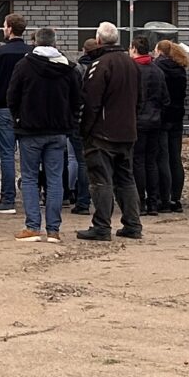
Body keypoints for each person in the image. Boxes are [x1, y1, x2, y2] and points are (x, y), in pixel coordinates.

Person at [7, 27, 82, 244]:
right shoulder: (69, 68)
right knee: (55, 179)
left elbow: (12, 96)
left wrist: (18, 117)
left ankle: (32, 226)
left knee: (30, 178)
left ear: (36, 42)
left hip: (30, 129)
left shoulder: (24, 65)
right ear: (55, 43)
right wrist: (70, 120)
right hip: (58, 130)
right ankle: (53, 230)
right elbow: (77, 99)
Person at [77, 22, 144, 242]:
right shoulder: (132, 64)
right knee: (125, 178)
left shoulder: (100, 65)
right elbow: (140, 99)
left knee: (100, 179)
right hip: (127, 130)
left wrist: (85, 130)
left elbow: (91, 102)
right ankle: (133, 224)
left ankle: (101, 225)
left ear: (98, 40)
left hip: (102, 133)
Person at [0, 15, 31, 213]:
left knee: (7, 155)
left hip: (3, 107)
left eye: (4, 26)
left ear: (10, 29)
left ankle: (9, 199)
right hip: (28, 108)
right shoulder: (31, 53)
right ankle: (30, 198)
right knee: (29, 155)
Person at [132, 36, 171, 215]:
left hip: (137, 121)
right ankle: (153, 203)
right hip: (155, 121)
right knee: (152, 162)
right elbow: (165, 99)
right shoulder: (157, 70)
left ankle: (139, 201)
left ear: (134, 49)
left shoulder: (133, 70)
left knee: (138, 161)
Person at [153, 39, 189, 214]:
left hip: (162, 117)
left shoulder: (158, 68)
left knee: (162, 157)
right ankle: (176, 197)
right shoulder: (180, 69)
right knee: (175, 157)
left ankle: (164, 198)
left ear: (159, 51)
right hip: (177, 117)